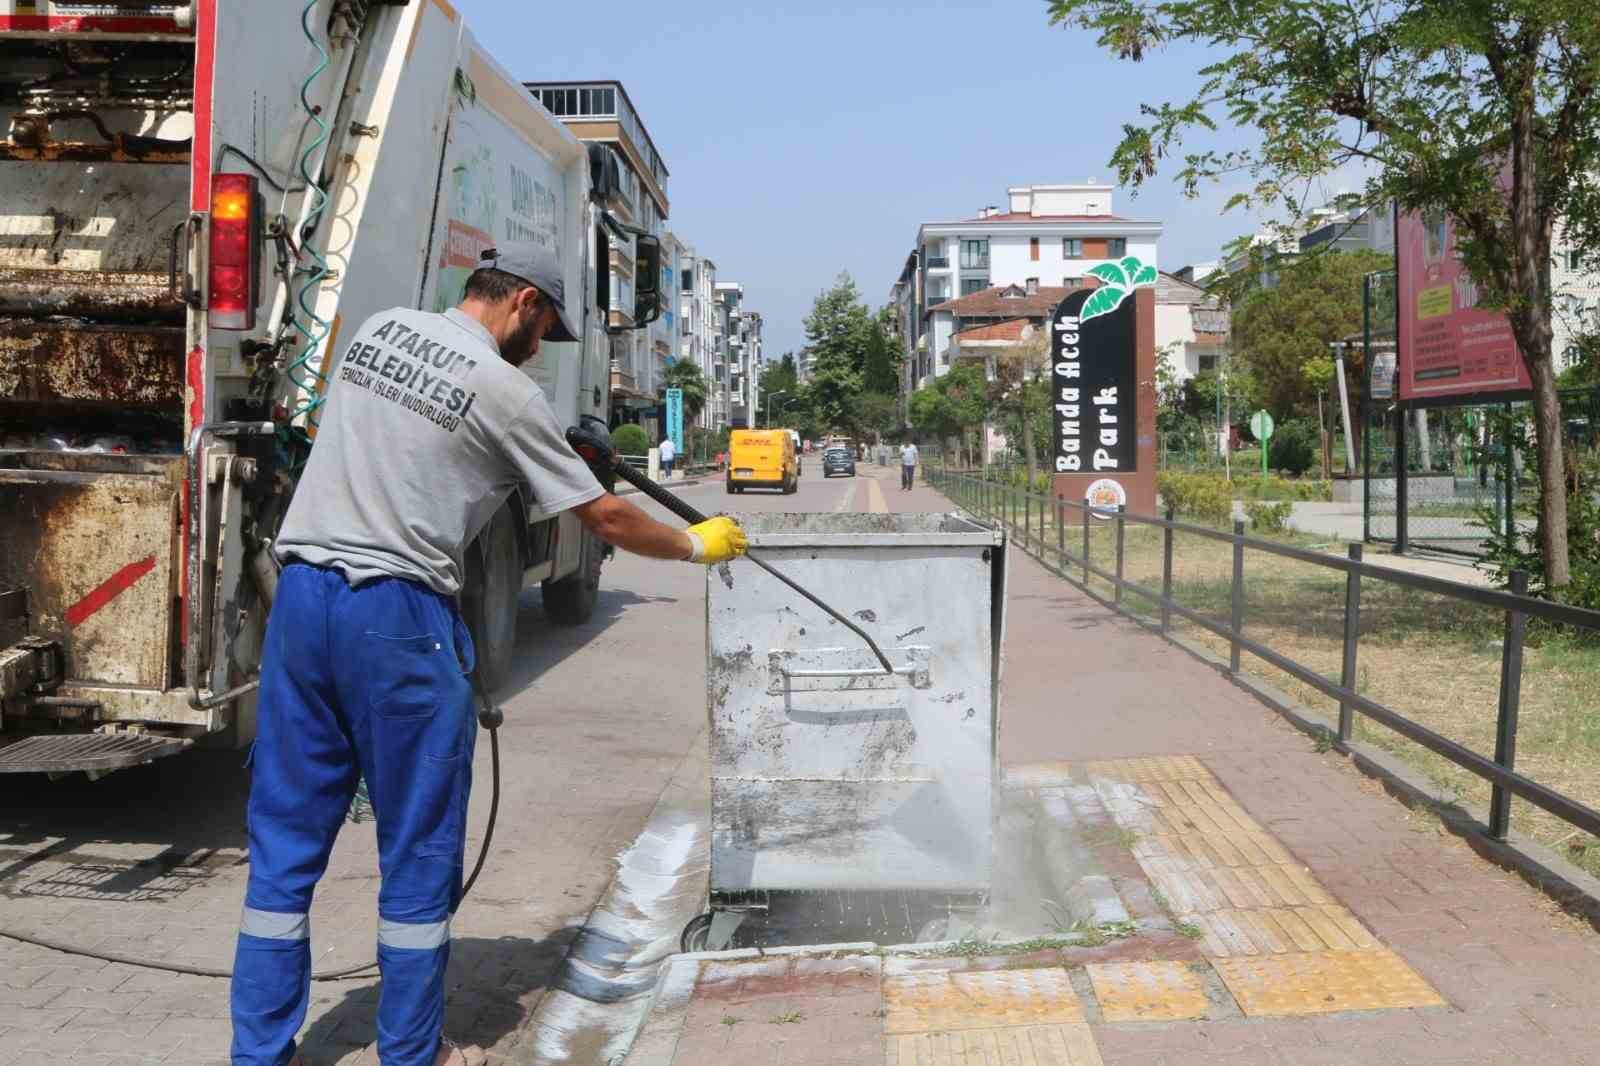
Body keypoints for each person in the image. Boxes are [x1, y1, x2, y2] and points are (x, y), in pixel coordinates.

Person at [230, 243, 746, 1066]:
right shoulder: (507, 391)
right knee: (418, 849)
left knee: (285, 848)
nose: (541, 346)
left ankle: (257, 1053)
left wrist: (538, 453)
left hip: (302, 599)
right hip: (393, 617)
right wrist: (694, 544)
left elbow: (414, 442)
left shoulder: (379, 332)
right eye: (544, 328)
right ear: (526, 304)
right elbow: (605, 520)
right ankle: (409, 1053)